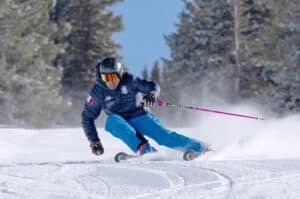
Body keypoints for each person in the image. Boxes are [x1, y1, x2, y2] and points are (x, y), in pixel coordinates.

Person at [81, 57, 209, 157]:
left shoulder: (130, 80)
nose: (110, 81)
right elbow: (87, 116)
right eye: (106, 77)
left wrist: (152, 95)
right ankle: (145, 150)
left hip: (140, 115)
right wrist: (94, 141)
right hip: (120, 122)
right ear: (101, 77)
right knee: (111, 120)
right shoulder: (97, 92)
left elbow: (152, 86)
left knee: (164, 137)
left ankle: (201, 148)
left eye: (113, 76)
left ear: (119, 74)